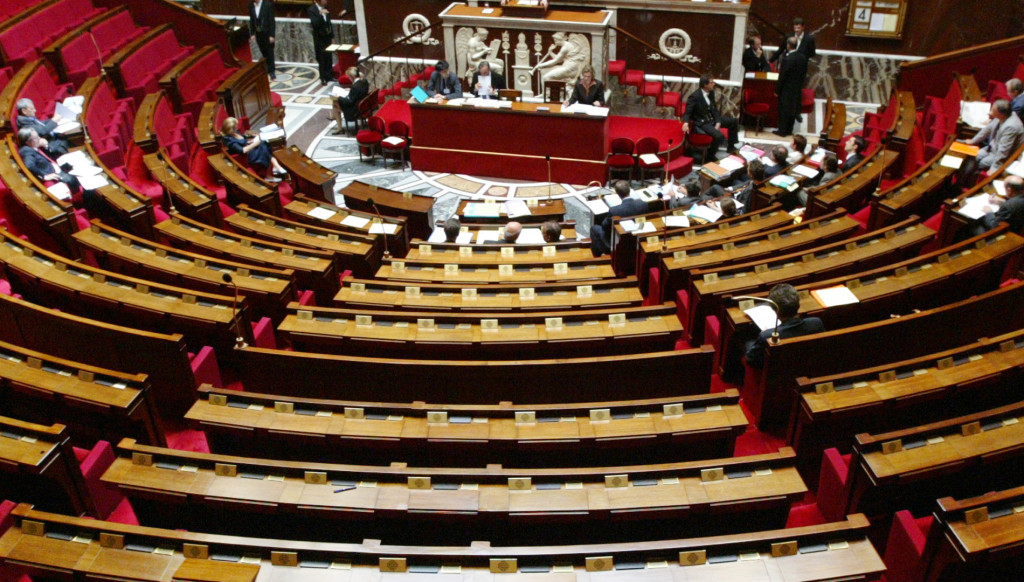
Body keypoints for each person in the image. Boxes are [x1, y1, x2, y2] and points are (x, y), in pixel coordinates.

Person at [744, 283, 825, 369]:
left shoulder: (767, 336)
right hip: (809, 367)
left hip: (776, 374)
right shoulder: (816, 323)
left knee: (747, 343)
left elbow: (750, 359)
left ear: (777, 312)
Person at [683, 75, 740, 158]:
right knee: (719, 136)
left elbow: (714, 109)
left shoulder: (711, 93)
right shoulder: (694, 97)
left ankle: (731, 147)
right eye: (711, 82)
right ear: (705, 85)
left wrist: (718, 121)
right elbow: (687, 112)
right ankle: (710, 155)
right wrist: (685, 123)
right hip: (703, 122)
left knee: (733, 121)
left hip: (712, 119)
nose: (714, 84)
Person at [590, 180, 648, 256]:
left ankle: (598, 257)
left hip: (618, 240)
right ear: (629, 190)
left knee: (594, 228)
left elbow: (604, 227)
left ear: (617, 193)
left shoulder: (614, 210)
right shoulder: (643, 204)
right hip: (636, 236)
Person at [964, 99, 1023, 174]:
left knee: (982, 163)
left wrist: (994, 168)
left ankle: (973, 181)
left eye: (992, 110)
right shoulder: (1004, 115)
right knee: (973, 156)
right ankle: (962, 180)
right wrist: (973, 140)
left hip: (1003, 156)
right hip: (992, 148)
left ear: (1001, 114)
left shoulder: (1011, 127)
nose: (989, 112)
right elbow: (987, 129)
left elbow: (1004, 150)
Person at [220, 116, 287, 177]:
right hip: (246, 156)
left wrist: (251, 140)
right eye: (234, 128)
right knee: (263, 145)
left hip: (249, 148)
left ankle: (274, 168)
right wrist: (255, 144)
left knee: (264, 143)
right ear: (229, 130)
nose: (236, 128)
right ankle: (275, 167)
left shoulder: (235, 132)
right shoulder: (228, 140)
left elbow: (243, 140)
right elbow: (242, 150)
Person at [775, 36, 807, 137]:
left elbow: (782, 76)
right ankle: (789, 129)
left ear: (788, 45)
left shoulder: (787, 59)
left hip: (786, 89)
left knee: (784, 109)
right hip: (797, 88)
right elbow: (804, 73)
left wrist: (777, 90)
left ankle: (782, 131)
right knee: (793, 108)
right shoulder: (802, 57)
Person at [331, 66, 368, 135]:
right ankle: (332, 116)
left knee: (335, 104)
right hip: (363, 105)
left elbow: (349, 101)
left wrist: (339, 97)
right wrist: (351, 90)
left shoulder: (355, 87)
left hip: (354, 110)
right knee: (335, 103)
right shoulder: (364, 81)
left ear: (352, 76)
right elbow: (358, 92)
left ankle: (339, 128)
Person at [308, 0, 333, 86]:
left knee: (329, 56)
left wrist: (332, 36)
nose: (325, 1)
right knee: (322, 57)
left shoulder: (326, 7)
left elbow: (329, 23)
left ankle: (329, 75)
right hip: (319, 38)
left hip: (327, 36)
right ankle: (323, 78)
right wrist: (321, 14)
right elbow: (315, 24)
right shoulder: (312, 9)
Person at [249, 0, 276, 80]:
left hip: (267, 33)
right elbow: (251, 20)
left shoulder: (267, 5)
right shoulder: (251, 5)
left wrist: (272, 35)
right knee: (263, 50)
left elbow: (272, 21)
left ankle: (272, 71)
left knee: (269, 52)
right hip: (258, 33)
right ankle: (267, 67)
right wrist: (252, 33)